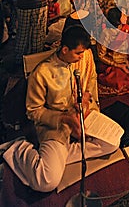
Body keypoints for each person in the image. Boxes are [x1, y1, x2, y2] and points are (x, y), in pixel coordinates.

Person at [1, 26, 119, 192]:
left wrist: (86, 101)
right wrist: (65, 119)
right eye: (78, 53)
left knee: (113, 143)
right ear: (65, 50)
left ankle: (60, 156)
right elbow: (33, 111)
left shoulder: (85, 57)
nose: (82, 57)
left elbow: (91, 83)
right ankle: (18, 148)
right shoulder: (42, 72)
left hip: (84, 117)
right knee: (46, 182)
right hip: (56, 127)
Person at [96, 7, 129, 96]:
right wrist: (118, 65)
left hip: (124, 61)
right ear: (117, 19)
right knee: (119, 83)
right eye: (123, 15)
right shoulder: (106, 33)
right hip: (111, 64)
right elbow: (101, 55)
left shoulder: (127, 29)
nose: (126, 17)